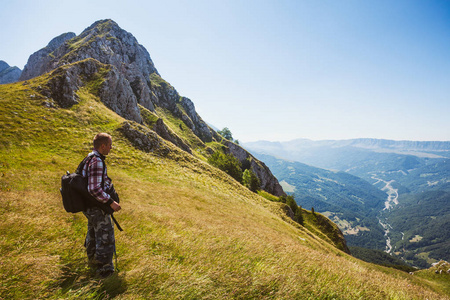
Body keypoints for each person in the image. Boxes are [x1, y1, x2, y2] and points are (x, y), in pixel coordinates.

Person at [81, 133, 121, 278]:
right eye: (110, 145)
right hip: (97, 207)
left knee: (93, 234)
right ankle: (104, 271)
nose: (111, 147)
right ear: (103, 146)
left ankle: (92, 262)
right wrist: (111, 202)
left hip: (89, 206)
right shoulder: (97, 161)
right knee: (105, 236)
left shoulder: (89, 157)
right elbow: (94, 188)